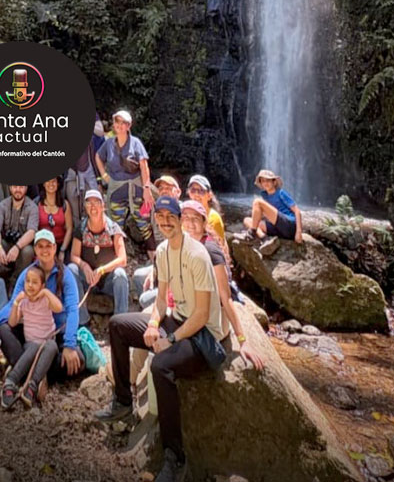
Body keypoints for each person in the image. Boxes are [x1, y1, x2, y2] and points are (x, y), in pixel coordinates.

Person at [97, 197, 225, 482]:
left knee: (160, 366)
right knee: (118, 325)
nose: (165, 221)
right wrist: (154, 323)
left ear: (180, 218)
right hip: (177, 320)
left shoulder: (198, 255)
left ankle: (174, 456)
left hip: (202, 335)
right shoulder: (164, 251)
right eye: (160, 216)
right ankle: (122, 402)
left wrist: (170, 338)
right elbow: (160, 299)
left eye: (171, 216)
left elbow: (202, 315)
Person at [178, 199, 264, 370]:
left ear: (204, 223)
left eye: (195, 219)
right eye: (185, 218)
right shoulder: (186, 243)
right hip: (190, 309)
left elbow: (225, 296)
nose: (189, 223)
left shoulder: (210, 250)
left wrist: (242, 340)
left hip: (210, 320)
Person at [0, 230, 85, 383]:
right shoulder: (28, 274)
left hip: (55, 336)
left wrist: (69, 344)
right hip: (31, 333)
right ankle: (37, 374)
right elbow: (13, 304)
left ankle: (23, 370)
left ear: (55, 248)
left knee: (78, 361)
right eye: (40, 246)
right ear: (35, 250)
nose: (44, 250)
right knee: (3, 329)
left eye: (48, 246)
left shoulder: (66, 275)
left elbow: (72, 310)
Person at [1, 262, 64, 409]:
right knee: (33, 346)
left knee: (52, 345)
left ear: (42, 286)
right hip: (30, 344)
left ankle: (32, 385)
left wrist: (46, 293)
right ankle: (11, 381)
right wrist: (16, 303)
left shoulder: (45, 300)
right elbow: (12, 323)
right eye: (27, 281)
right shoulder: (23, 302)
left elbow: (59, 307)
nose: (30, 285)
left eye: (35, 282)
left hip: (47, 343)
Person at [96, 110, 154, 255]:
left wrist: (147, 188)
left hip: (136, 188)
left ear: (129, 126)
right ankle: (117, 257)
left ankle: (154, 257)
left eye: (123, 123)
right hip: (116, 189)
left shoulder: (135, 143)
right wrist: (104, 175)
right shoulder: (109, 143)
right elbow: (98, 156)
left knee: (144, 223)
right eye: (117, 122)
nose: (120, 125)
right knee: (115, 224)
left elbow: (143, 166)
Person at [71, 189, 129, 323]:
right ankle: (82, 320)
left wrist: (102, 270)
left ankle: (121, 321)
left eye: (96, 202)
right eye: (89, 203)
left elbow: (122, 259)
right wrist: (84, 266)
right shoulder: (81, 228)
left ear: (103, 206)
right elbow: (74, 255)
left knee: (120, 274)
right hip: (88, 279)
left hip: (107, 280)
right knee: (72, 269)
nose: (93, 207)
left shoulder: (113, 228)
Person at [0, 183, 38, 280]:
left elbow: (32, 232)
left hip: (22, 246)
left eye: (21, 187)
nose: (18, 190)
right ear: (10, 188)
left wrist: (17, 247)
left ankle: (16, 280)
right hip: (6, 244)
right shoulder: (2, 205)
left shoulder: (32, 207)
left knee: (28, 251)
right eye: (15, 187)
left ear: (26, 188)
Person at [64, 115, 105, 227]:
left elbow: (93, 158)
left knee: (92, 204)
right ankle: (77, 236)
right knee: (74, 209)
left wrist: (99, 181)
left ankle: (93, 231)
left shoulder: (91, 139)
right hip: (72, 175)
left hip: (89, 173)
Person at [242, 169, 302, 243]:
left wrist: (298, 232)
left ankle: (252, 233)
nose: (265, 183)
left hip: (289, 225)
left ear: (274, 182)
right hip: (278, 228)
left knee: (257, 201)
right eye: (263, 181)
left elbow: (297, 211)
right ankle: (264, 238)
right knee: (247, 220)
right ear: (260, 183)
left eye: (268, 180)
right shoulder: (264, 195)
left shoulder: (281, 193)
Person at [186, 174, 230, 267]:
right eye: (193, 190)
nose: (196, 194)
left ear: (209, 195)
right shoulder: (186, 214)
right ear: (189, 193)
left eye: (201, 191)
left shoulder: (213, 217)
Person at [36, 176, 74, 263]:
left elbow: (69, 228)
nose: (51, 184)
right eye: (48, 181)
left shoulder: (65, 204)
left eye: (54, 181)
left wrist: (62, 250)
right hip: (43, 244)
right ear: (44, 184)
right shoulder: (37, 204)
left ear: (58, 184)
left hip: (61, 244)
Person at [151, 174, 182, 245]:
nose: (164, 191)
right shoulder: (153, 207)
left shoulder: (186, 209)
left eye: (168, 188)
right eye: (161, 188)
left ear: (178, 192)